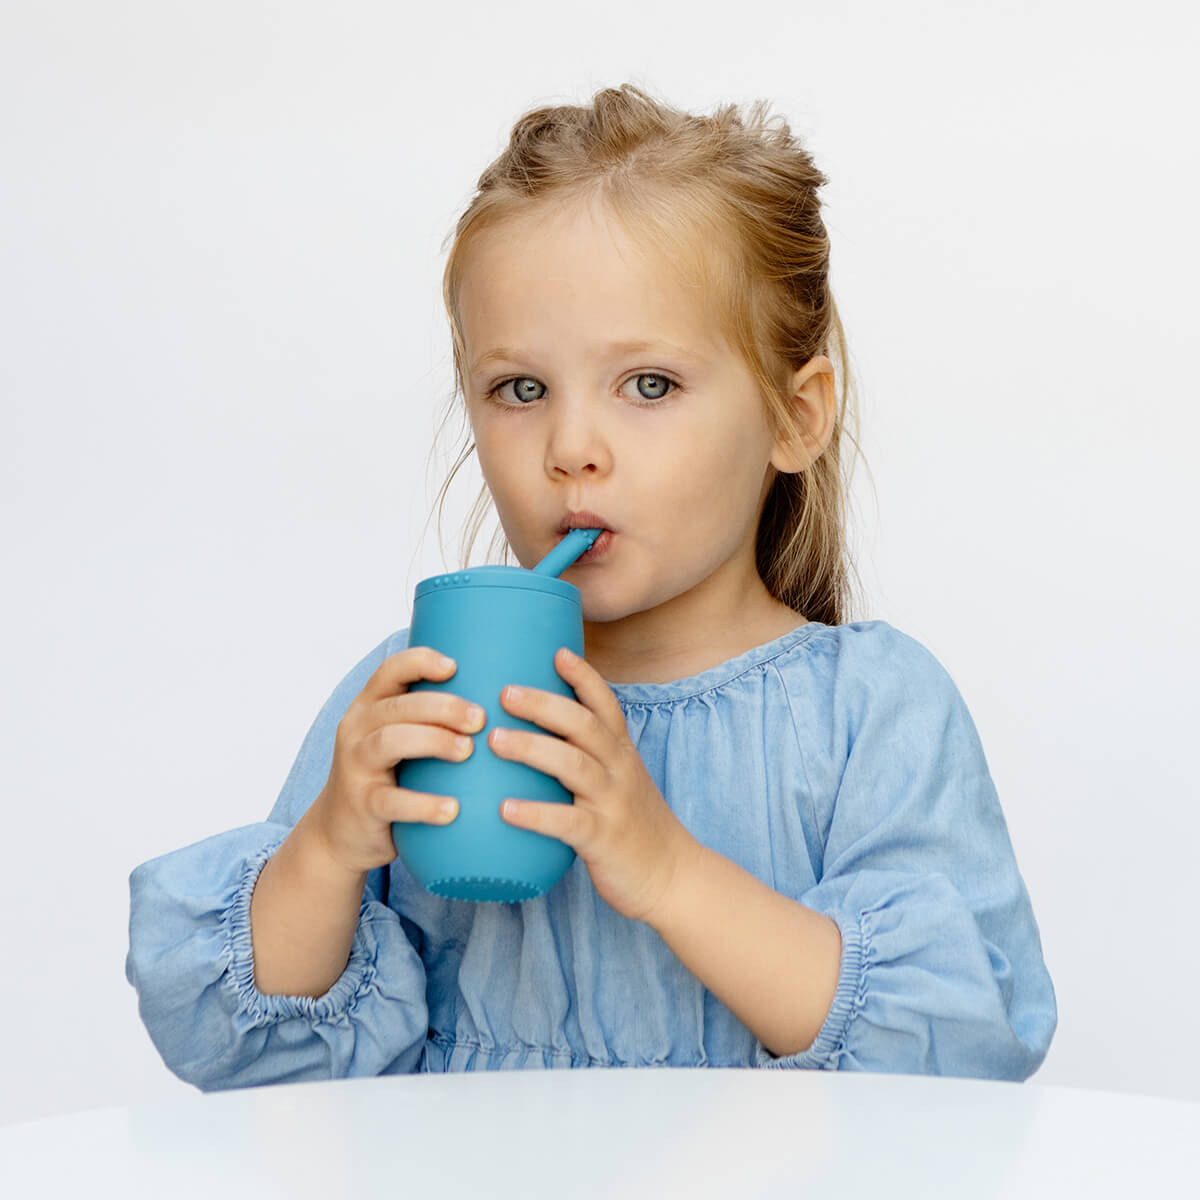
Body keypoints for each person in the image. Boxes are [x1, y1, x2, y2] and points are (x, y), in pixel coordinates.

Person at [126, 83, 1057, 1090]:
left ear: (796, 417)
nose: (571, 448)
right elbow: (240, 1052)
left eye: (649, 385)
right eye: (519, 390)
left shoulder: (866, 712)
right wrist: (327, 852)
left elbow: (958, 1047)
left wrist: (664, 869)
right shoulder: (418, 687)